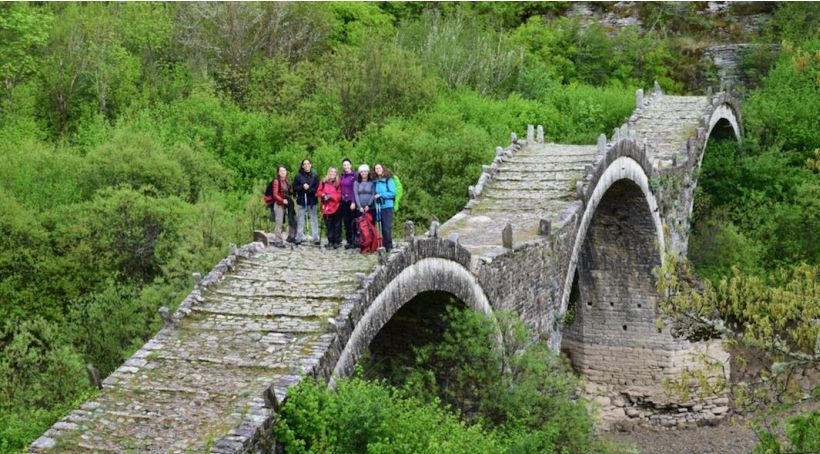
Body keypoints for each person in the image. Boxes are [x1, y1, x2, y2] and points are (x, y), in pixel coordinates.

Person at [293, 159, 320, 246]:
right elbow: (295, 188)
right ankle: (299, 238)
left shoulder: (315, 176)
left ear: (311, 165)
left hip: (312, 201)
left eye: (308, 164)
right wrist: (302, 186)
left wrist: (308, 189)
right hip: (302, 201)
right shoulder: (298, 176)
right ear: (302, 166)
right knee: (300, 220)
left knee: (314, 220)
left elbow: (317, 189)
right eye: (304, 164)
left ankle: (316, 238)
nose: (307, 165)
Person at [269, 165, 296, 247]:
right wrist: (282, 200)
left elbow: (289, 191)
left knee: (292, 219)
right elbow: (275, 194)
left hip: (286, 203)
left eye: (284, 171)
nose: (283, 172)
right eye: (281, 171)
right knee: (279, 222)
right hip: (279, 204)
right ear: (278, 173)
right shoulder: (276, 181)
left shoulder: (286, 180)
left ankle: (291, 236)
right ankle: (278, 241)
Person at [373, 163, 397, 251]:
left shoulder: (388, 180)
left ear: (383, 168)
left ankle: (389, 245)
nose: (378, 169)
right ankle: (383, 244)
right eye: (376, 168)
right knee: (381, 226)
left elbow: (392, 193)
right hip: (378, 206)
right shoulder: (375, 181)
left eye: (379, 168)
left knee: (386, 227)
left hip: (387, 206)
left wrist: (380, 195)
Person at [317, 167, 343, 249]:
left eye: (334, 172)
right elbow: (318, 191)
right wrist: (323, 195)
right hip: (326, 207)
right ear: (328, 172)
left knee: (337, 225)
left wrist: (331, 196)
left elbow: (339, 194)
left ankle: (337, 241)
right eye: (331, 171)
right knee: (328, 225)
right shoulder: (323, 182)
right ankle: (330, 241)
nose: (332, 173)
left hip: (336, 206)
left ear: (336, 174)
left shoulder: (338, 183)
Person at [339, 158, 358, 249]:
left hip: (352, 201)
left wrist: (354, 202)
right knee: (346, 222)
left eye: (347, 165)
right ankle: (349, 241)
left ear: (350, 165)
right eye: (344, 165)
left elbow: (355, 190)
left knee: (353, 222)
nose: (346, 166)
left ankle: (355, 241)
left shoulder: (354, 176)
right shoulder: (342, 176)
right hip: (344, 201)